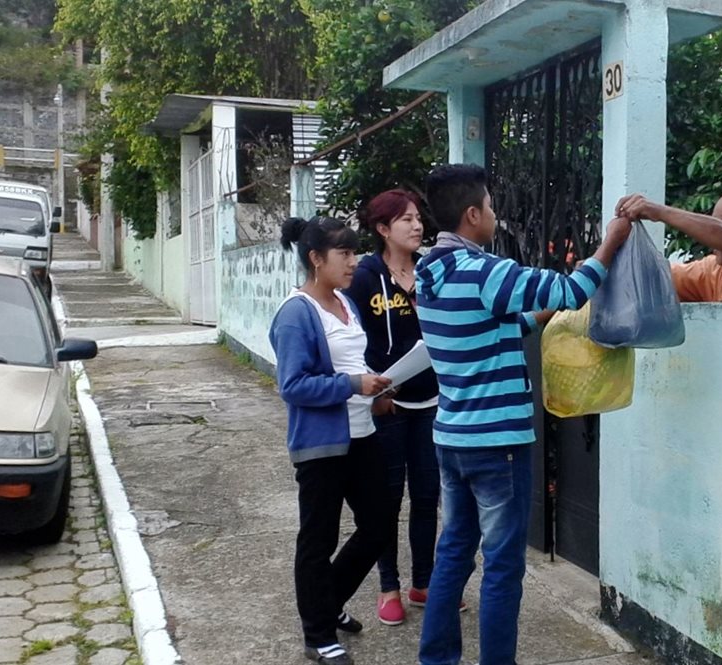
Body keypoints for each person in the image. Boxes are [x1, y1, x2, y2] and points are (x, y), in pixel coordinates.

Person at [414, 164, 631, 665]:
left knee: (453, 554)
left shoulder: (431, 273)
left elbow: (503, 328)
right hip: (497, 445)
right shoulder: (487, 271)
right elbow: (573, 291)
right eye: (490, 206)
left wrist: (543, 313)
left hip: (452, 439)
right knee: (503, 568)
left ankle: (437, 659)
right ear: (472, 215)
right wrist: (611, 242)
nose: (495, 214)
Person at [269, 216, 392, 665]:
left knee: (378, 526)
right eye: (344, 253)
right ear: (315, 259)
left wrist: (376, 393)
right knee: (317, 539)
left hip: (363, 434)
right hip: (322, 446)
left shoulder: (345, 303)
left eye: (355, 252)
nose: (354, 262)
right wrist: (352, 386)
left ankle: (328, 600)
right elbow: (293, 385)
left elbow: (355, 363)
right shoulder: (296, 313)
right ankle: (318, 634)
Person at [343, 189, 463, 626]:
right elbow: (353, 340)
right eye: (406, 220)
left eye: (418, 218)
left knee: (428, 495)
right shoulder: (364, 276)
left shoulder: (430, 270)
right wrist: (374, 392)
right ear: (381, 229)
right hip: (388, 403)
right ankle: (388, 586)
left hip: (432, 398)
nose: (417, 226)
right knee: (388, 498)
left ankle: (424, 584)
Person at [616, 189, 722, 302]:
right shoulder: (714, 270)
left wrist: (660, 212)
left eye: (720, 225)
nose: (708, 241)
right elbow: (654, 276)